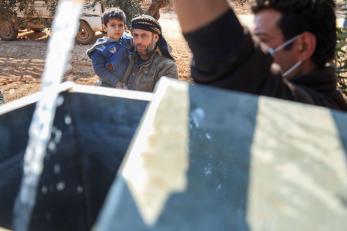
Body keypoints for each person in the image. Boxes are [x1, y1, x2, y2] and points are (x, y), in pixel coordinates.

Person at [173, 0, 347, 111]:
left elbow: (222, 55)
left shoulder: (316, 112)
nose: (258, 50)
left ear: (303, 46)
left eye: (263, 39)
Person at [119, 15, 178, 92]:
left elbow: (163, 101)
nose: (139, 41)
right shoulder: (126, 57)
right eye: (135, 35)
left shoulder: (167, 67)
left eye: (144, 36)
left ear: (156, 38)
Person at [87, 8, 132, 88]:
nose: (117, 29)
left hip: (128, 82)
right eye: (113, 25)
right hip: (108, 84)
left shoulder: (128, 40)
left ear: (124, 27)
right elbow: (100, 69)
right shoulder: (100, 48)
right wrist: (116, 82)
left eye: (120, 25)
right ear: (105, 28)